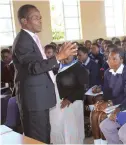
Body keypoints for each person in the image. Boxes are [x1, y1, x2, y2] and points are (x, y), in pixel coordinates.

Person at [12, 5, 77, 143]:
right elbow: (33, 67)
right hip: (33, 100)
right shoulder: (23, 41)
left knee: (43, 136)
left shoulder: (32, 38)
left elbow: (40, 65)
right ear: (24, 21)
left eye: (40, 17)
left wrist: (58, 61)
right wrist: (58, 57)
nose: (40, 20)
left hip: (39, 99)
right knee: (37, 139)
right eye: (35, 17)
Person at [90, 48, 126, 144]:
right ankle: (98, 142)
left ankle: (108, 142)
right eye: (109, 58)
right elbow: (107, 93)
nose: (110, 61)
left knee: (102, 117)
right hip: (113, 102)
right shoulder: (107, 72)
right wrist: (102, 102)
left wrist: (109, 103)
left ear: (121, 60)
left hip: (124, 104)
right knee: (94, 113)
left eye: (114, 59)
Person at [50, 55, 89, 144]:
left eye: (68, 55)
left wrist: (69, 99)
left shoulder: (79, 68)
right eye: (64, 54)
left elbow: (83, 87)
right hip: (58, 101)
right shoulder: (57, 67)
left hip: (73, 101)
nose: (65, 57)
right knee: (60, 127)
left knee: (72, 130)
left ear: (74, 55)